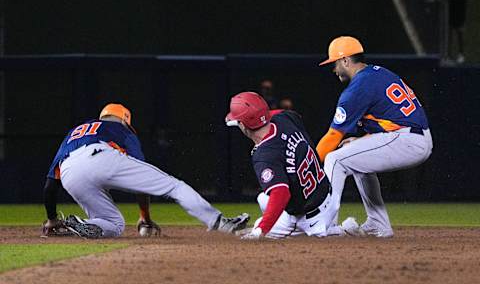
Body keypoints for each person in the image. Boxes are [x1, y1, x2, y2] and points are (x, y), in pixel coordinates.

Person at [42, 103, 249, 238]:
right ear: (125, 120)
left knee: (113, 225)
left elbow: (50, 185)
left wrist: (51, 219)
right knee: (175, 186)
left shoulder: (74, 133)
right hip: (101, 155)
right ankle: (219, 222)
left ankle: (80, 224)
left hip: (69, 171)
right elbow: (141, 183)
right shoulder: (121, 129)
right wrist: (145, 217)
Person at [316, 36, 433, 238]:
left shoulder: (358, 88)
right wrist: (362, 141)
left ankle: (325, 224)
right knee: (353, 157)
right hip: (412, 136)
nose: (333, 69)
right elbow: (392, 118)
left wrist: (308, 165)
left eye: (334, 63)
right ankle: (378, 224)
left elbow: (333, 136)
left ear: (345, 60)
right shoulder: (377, 73)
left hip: (408, 140)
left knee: (335, 158)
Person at [225, 92, 360, 240]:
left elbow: (281, 194)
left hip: (308, 218)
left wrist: (260, 231)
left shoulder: (264, 155)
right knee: (262, 198)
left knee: (259, 226)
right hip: (327, 193)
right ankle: (329, 227)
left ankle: (338, 231)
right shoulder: (285, 118)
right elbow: (284, 115)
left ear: (243, 125)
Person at [443, 0, 471, 64]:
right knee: (448, 34)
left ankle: (461, 54)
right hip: (449, 13)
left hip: (460, 12)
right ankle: (448, 55)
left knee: (459, 33)